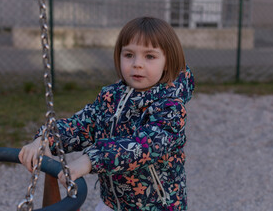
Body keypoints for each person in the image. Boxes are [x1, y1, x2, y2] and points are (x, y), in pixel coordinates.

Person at [19, 16, 195, 211]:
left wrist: (91, 159)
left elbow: (145, 146)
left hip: (157, 206)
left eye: (150, 56)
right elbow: (83, 125)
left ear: (168, 62)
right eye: (129, 55)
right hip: (112, 203)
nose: (137, 64)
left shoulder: (170, 107)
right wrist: (46, 139)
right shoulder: (111, 96)